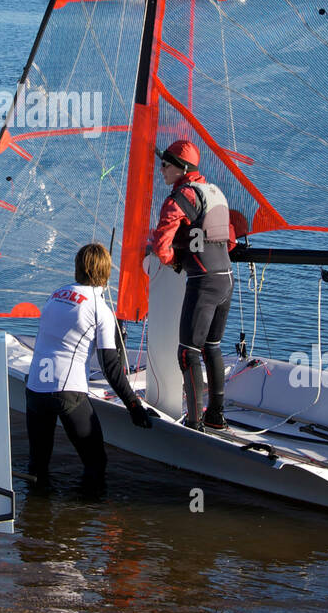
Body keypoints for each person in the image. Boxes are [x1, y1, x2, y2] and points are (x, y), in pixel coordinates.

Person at [25, 242, 154, 489]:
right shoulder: (100, 310)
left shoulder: (56, 295)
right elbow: (110, 367)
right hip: (67, 392)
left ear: (78, 268)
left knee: (38, 466)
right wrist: (134, 406)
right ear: (106, 272)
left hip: (34, 389)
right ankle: (83, 521)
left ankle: (34, 522)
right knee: (95, 463)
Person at [150, 139, 235, 431]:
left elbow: (161, 247)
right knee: (212, 346)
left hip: (202, 281)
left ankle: (195, 425)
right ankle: (216, 416)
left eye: (165, 164)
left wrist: (175, 259)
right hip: (226, 279)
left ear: (181, 169)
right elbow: (231, 241)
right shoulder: (216, 193)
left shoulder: (180, 198)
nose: (161, 169)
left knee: (187, 352)